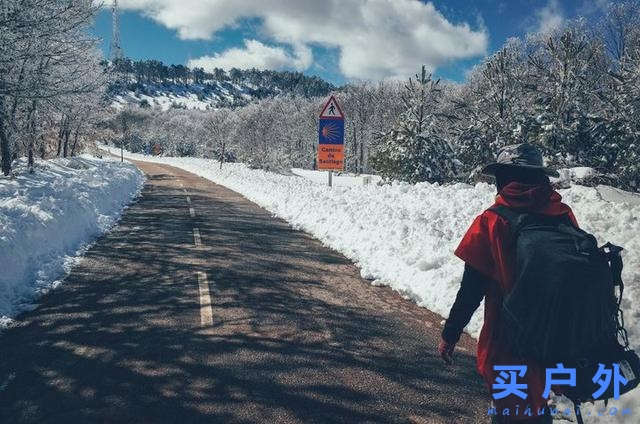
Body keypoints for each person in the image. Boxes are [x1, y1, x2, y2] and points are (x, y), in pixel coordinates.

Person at [438, 143, 579, 423]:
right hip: (556, 340)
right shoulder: (562, 215)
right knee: (537, 405)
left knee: (512, 409)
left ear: (503, 179)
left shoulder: (492, 221)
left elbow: (471, 290)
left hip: (509, 341)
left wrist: (450, 333)